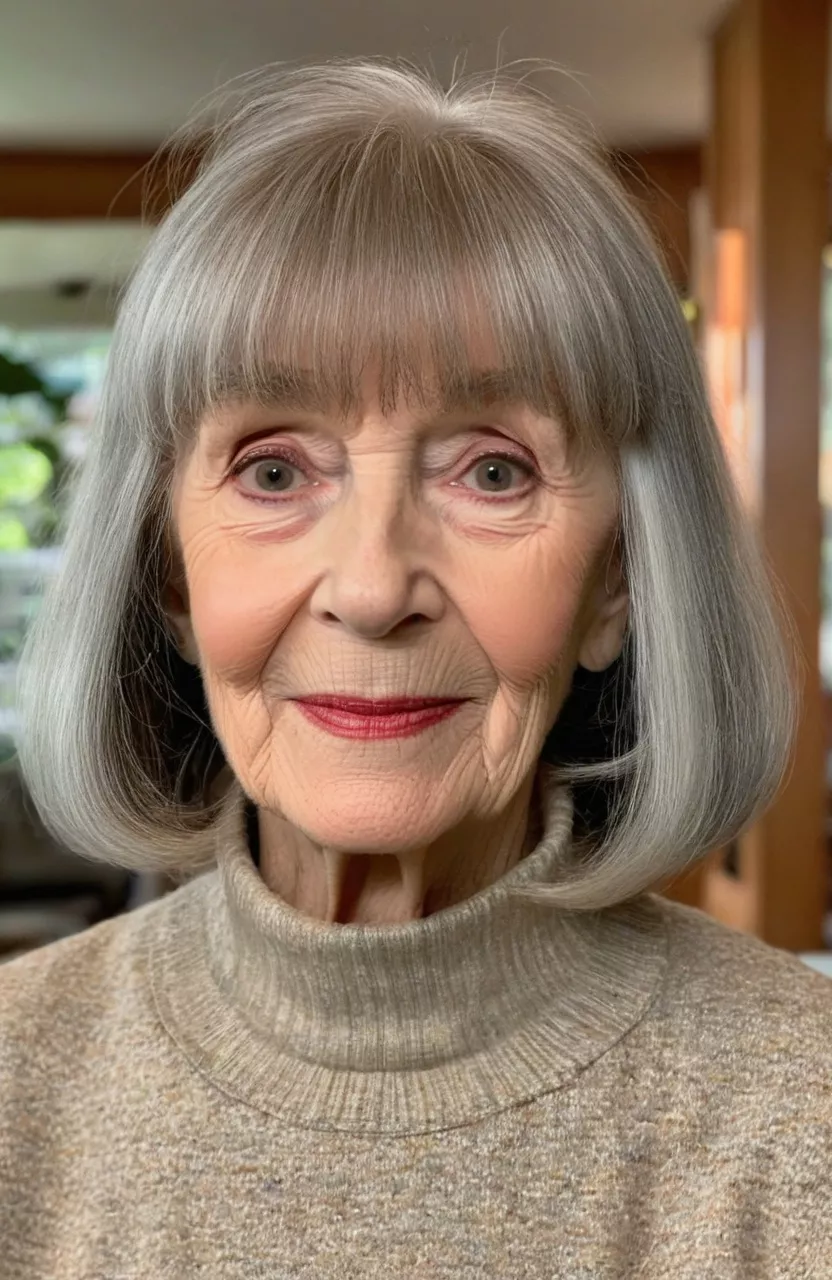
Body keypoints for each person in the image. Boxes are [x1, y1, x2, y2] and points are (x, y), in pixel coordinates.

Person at [1, 57, 830, 1279]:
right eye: (275, 470)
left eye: (493, 470)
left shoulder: (803, 1110)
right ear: (170, 580)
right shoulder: (18, 1085)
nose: (375, 585)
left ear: (614, 584)